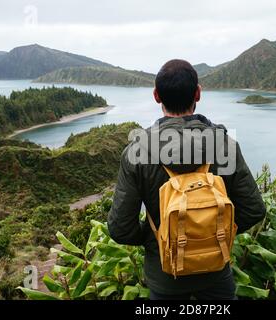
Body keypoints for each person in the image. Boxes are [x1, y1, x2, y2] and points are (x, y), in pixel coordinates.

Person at [108, 59, 266, 300]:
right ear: (198, 93)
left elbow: (120, 228)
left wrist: (159, 237)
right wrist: (213, 231)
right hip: (215, 272)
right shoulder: (224, 146)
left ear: (156, 96)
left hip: (165, 276)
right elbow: (254, 209)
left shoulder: (137, 152)